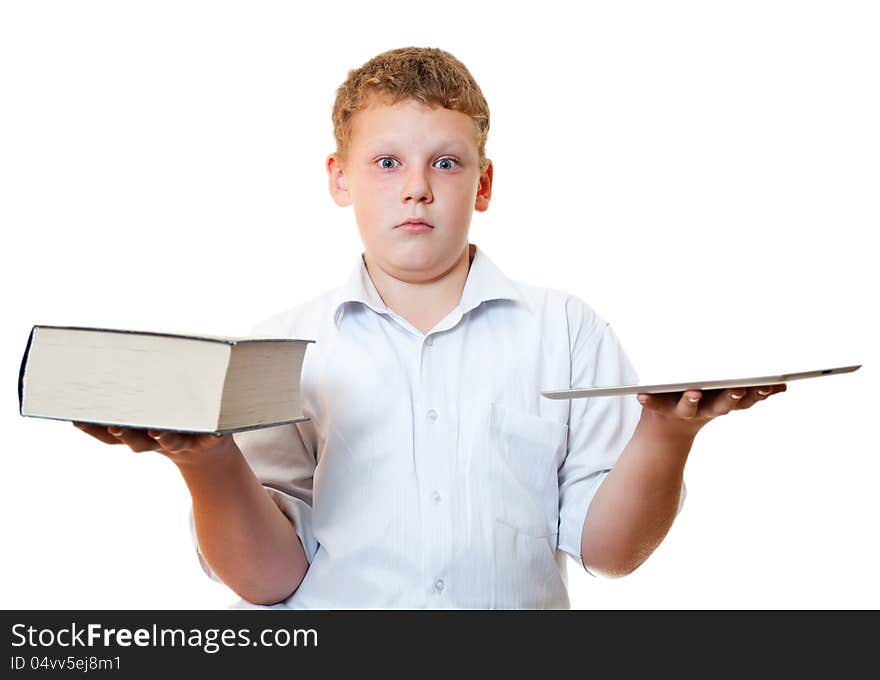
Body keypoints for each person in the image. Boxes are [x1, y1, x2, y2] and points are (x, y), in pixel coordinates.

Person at [73, 46, 786, 609]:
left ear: (483, 183)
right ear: (339, 179)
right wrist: (206, 462)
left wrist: (669, 433)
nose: (417, 186)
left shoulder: (566, 330)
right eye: (387, 162)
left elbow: (611, 552)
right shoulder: (281, 350)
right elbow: (270, 580)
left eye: (445, 162)